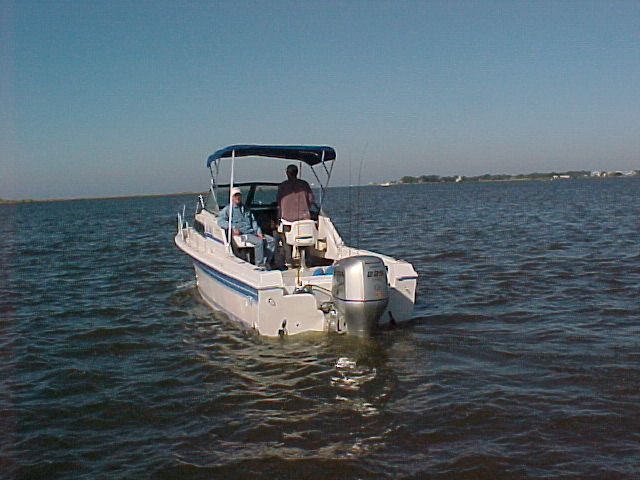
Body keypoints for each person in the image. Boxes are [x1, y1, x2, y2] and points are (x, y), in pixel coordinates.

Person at [217, 187, 274, 267]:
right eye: (235, 195)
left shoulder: (246, 208)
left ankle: (266, 261)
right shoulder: (228, 209)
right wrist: (232, 227)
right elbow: (220, 221)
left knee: (271, 241)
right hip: (243, 234)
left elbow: (253, 221)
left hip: (252, 232)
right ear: (232, 197)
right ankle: (260, 264)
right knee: (259, 242)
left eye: (238, 195)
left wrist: (258, 231)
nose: (237, 197)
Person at [276, 164, 317, 266]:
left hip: (288, 221)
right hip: (305, 219)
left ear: (287, 173)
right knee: (305, 239)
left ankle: (288, 261)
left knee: (285, 238)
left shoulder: (283, 186)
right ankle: (307, 261)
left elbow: (279, 202)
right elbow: (310, 200)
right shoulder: (304, 184)